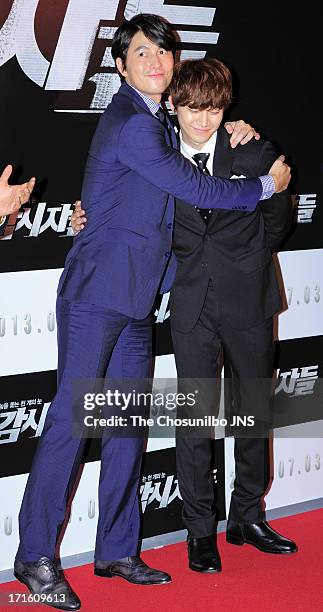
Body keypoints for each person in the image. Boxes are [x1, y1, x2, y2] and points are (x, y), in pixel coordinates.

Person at [14, 15, 291, 610]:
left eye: (164, 51)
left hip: (138, 300)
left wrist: (237, 132)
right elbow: (201, 191)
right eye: (143, 53)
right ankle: (34, 557)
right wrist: (265, 186)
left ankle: (116, 549)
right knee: (71, 423)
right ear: (121, 64)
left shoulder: (160, 123)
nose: (157, 61)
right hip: (96, 296)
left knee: (124, 429)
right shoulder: (132, 125)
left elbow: (180, 180)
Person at [72, 57, 297, 575]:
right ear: (173, 105)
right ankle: (201, 531)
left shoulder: (252, 148)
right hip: (190, 303)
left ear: (226, 107)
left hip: (249, 299)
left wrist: (245, 258)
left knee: (253, 410)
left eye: (215, 108)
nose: (204, 119)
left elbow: (278, 218)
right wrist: (85, 216)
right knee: (197, 420)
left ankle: (247, 516)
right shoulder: (157, 153)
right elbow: (121, 202)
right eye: (194, 107)